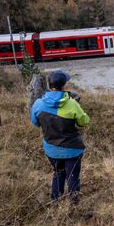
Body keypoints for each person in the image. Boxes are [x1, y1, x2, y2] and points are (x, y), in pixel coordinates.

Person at [30, 70, 89, 203]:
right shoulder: (72, 104)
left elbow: (35, 122)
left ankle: (56, 199)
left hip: (51, 149)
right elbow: (84, 122)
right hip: (72, 149)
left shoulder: (38, 104)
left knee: (58, 172)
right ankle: (73, 202)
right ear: (63, 86)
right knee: (73, 174)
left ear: (50, 86)